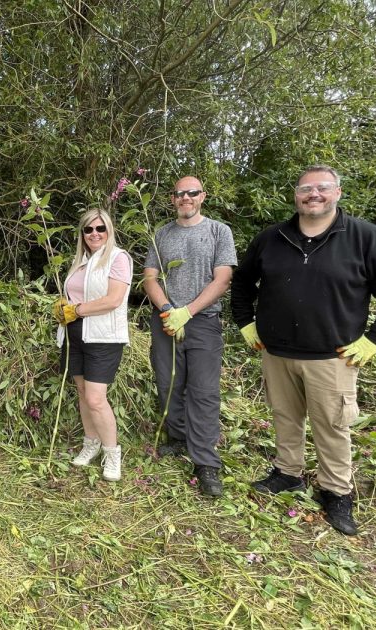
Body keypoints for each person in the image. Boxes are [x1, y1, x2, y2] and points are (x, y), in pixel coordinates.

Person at [231, 164, 376, 535]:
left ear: (337, 192)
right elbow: (242, 281)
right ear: (295, 195)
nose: (313, 194)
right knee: (284, 416)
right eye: (305, 189)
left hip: (332, 356)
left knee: (332, 426)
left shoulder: (366, 238)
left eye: (322, 188)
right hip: (277, 351)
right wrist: (245, 321)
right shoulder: (272, 238)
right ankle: (288, 474)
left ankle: (336, 493)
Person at [142, 176, 238, 497]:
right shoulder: (162, 234)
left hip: (203, 321)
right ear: (173, 199)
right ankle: (179, 437)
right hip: (165, 320)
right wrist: (169, 309)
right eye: (180, 194)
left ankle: (206, 462)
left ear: (202, 196)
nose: (186, 198)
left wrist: (189, 311)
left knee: (204, 390)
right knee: (169, 383)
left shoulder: (218, 231)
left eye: (192, 193)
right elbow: (150, 278)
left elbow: (223, 279)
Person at [54, 209, 132, 482]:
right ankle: (91, 444)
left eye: (100, 228)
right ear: (82, 234)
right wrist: (63, 308)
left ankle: (112, 453)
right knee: (83, 392)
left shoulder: (118, 258)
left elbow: (113, 299)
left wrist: (77, 309)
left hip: (103, 338)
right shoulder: (82, 261)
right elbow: (73, 297)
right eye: (88, 230)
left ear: (109, 230)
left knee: (96, 398)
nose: (95, 234)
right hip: (74, 336)